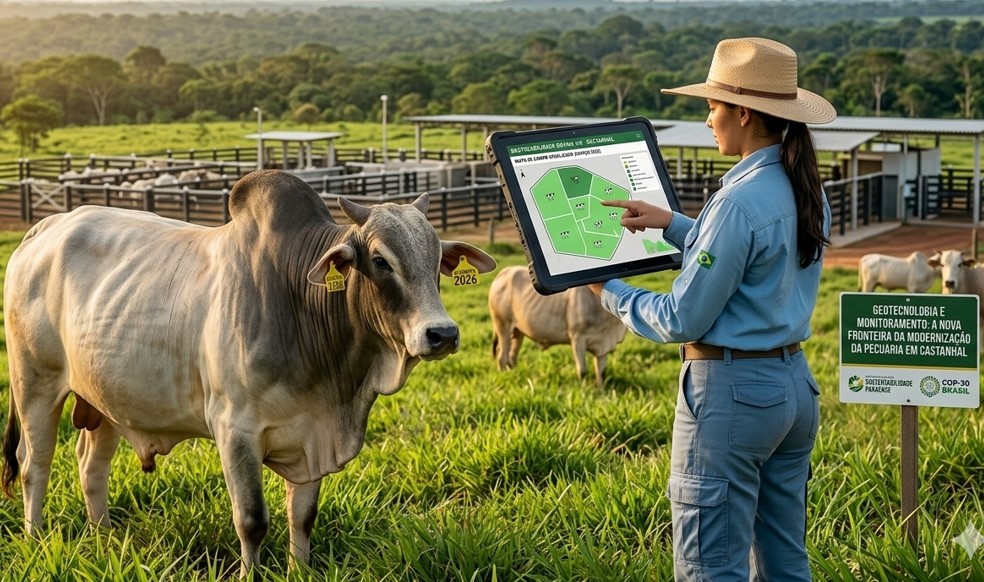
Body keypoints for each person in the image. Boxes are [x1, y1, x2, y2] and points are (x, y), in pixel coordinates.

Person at [588, 37, 836, 581]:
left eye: (712, 106)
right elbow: (752, 256)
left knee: (710, 566)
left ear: (743, 113)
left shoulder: (737, 201)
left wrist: (608, 289)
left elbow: (682, 319)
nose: (707, 120)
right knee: (785, 560)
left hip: (732, 396)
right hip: (793, 388)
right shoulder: (805, 187)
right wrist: (673, 224)